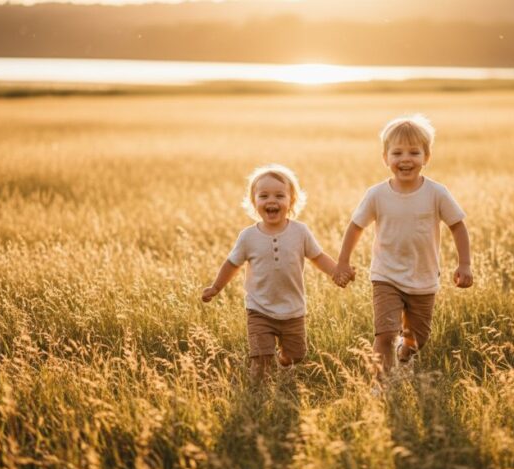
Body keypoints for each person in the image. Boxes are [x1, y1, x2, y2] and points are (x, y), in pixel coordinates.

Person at [333, 114, 473, 377]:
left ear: (426, 157)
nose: (405, 159)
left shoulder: (436, 193)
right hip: (386, 275)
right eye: (397, 153)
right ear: (385, 158)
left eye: (413, 152)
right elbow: (356, 226)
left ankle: (405, 353)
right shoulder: (376, 194)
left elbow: (457, 226)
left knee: (417, 339)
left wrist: (464, 263)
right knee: (385, 333)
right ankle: (381, 385)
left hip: (423, 277)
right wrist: (342, 262)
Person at [202, 164, 347, 380]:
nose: (272, 201)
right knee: (260, 358)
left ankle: (284, 364)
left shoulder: (300, 232)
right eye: (264, 196)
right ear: (254, 202)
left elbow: (318, 257)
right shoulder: (248, 236)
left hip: (293, 310)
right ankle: (257, 393)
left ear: (291, 201)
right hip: (259, 308)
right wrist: (216, 287)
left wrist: (336, 272)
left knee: (296, 355)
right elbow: (232, 264)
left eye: (280, 195)